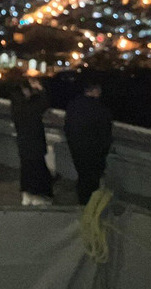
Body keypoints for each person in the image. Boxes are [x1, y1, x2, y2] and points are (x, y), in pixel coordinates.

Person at [64, 73, 113, 206]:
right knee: (92, 183)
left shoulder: (73, 106)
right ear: (95, 90)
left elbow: (67, 128)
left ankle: (83, 206)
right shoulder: (101, 110)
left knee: (82, 179)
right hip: (94, 154)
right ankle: (90, 210)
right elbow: (106, 136)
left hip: (77, 149)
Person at [11, 77, 53, 206]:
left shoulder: (16, 107)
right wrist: (40, 88)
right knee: (38, 169)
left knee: (26, 168)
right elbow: (45, 102)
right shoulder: (31, 107)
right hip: (35, 143)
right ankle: (38, 196)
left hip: (23, 143)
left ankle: (26, 194)